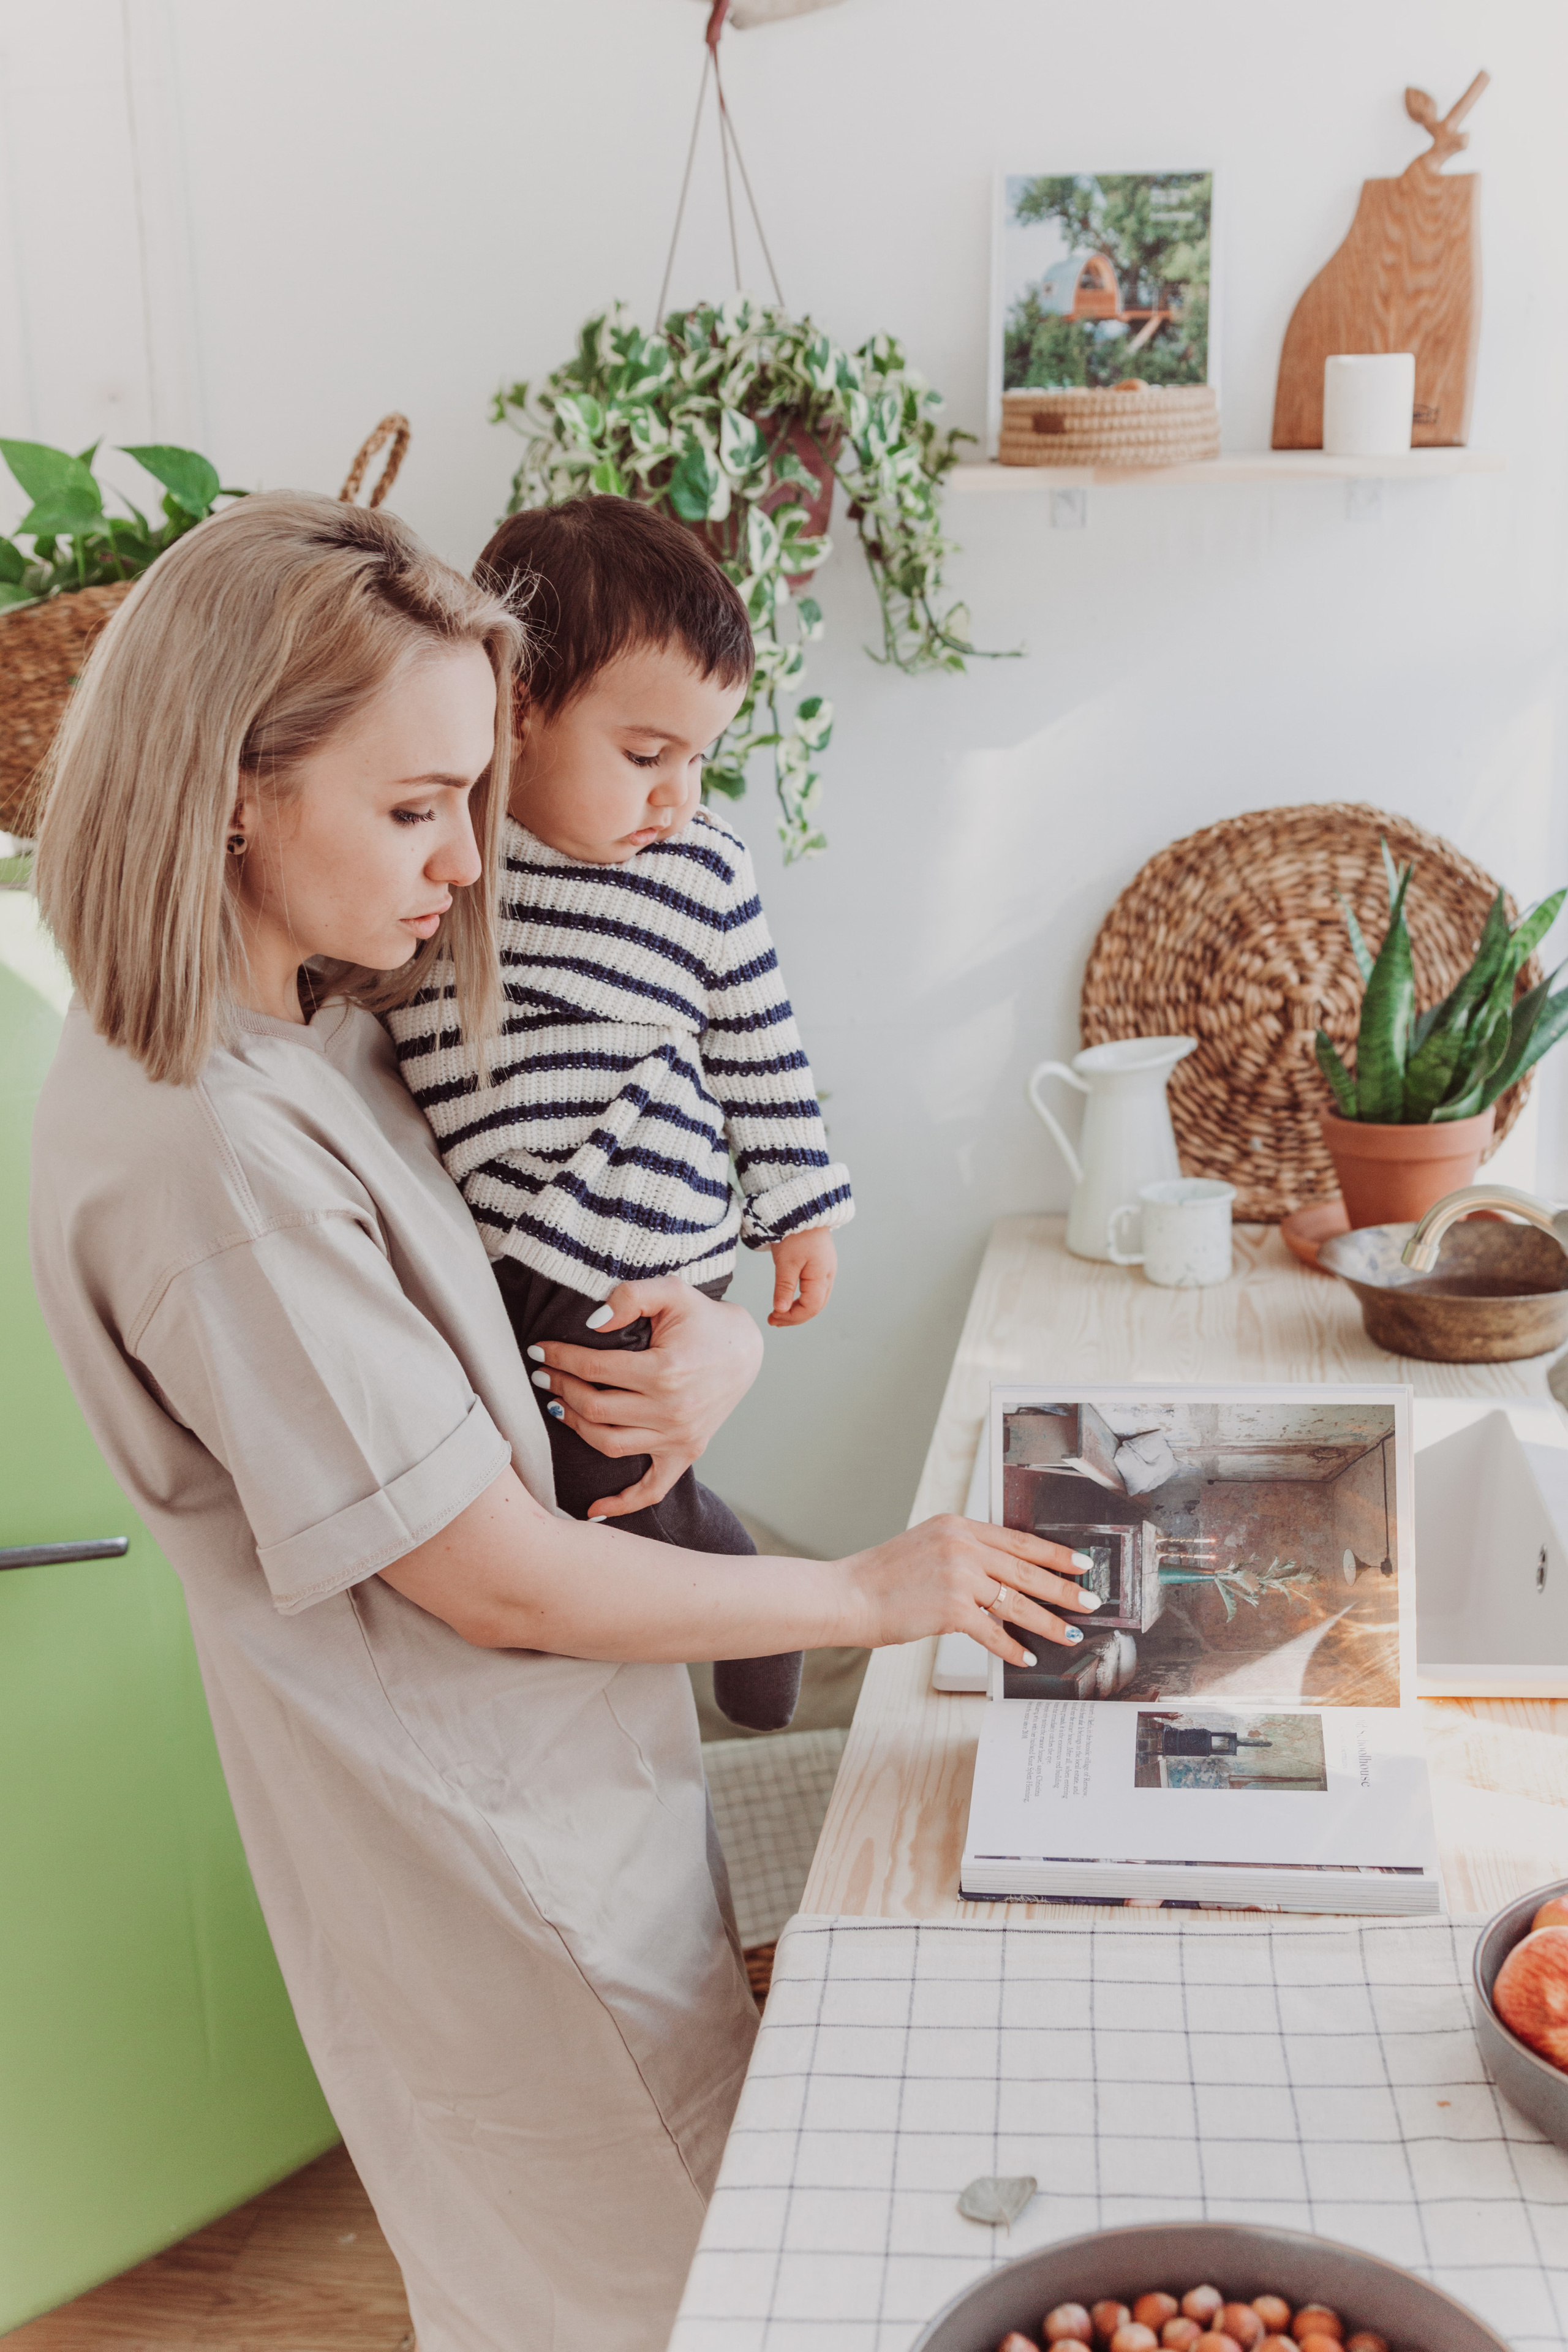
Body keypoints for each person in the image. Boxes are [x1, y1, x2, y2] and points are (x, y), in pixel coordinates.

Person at [28, 492, 1096, 2352]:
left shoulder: (327, 1020)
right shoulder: (212, 1152)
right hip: (492, 1864)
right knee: (671, 2305)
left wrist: (724, 1351)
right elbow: (498, 1582)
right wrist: (871, 1593)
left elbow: (573, 1265)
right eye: (420, 806)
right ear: (232, 791)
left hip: (570, 1799)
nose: (475, 857)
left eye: (477, 791)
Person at [388, 496, 848, 1734]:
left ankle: (724, 1571)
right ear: (518, 706)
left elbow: (761, 1049)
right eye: (646, 757)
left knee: (599, 1460)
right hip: (503, 1234)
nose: (676, 797)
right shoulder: (454, 850)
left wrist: (799, 1215)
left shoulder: (702, 872)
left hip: (640, 1216)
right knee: (528, 1459)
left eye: (700, 761)